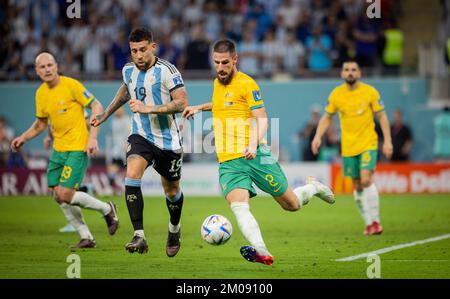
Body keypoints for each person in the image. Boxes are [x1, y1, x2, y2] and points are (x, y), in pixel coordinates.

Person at [182, 39, 335, 266]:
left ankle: (313, 187)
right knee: (239, 206)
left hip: (256, 155)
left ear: (235, 60)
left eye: (225, 62)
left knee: (291, 204)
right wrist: (199, 107)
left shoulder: (248, 84)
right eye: (216, 63)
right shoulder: (217, 83)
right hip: (229, 162)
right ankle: (262, 251)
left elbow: (262, 120)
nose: (221, 67)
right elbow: (222, 104)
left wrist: (253, 145)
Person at [91, 28, 189, 257]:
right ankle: (139, 235)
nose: (138, 55)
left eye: (143, 49)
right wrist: (105, 114)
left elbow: (182, 103)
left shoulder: (168, 71)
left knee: (172, 191)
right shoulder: (128, 70)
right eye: (134, 51)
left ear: (153, 47)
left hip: (168, 141)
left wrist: (149, 108)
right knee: (132, 175)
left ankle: (174, 228)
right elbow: (126, 91)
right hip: (141, 135)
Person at [10, 52, 119, 248]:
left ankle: (107, 208)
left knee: (66, 194)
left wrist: (92, 138)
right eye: (42, 67)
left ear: (57, 66)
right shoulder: (41, 93)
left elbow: (96, 105)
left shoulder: (71, 85)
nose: (47, 69)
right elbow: (41, 124)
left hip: (77, 147)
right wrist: (23, 138)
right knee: (56, 194)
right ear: (36, 71)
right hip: (58, 150)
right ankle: (87, 237)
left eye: (50, 65)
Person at [312, 60, 393, 236]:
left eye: (353, 70)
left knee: (365, 179)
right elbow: (327, 117)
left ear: (359, 73)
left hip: (368, 143)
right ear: (342, 73)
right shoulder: (336, 94)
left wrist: (387, 141)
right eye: (347, 69)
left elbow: (382, 116)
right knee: (357, 185)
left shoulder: (370, 92)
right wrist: (317, 137)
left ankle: (376, 221)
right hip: (348, 147)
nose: (350, 72)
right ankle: (369, 223)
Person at [105, 106, 129, 195]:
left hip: (125, 149)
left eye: (119, 110)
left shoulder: (127, 120)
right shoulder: (113, 121)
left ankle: (125, 186)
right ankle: (111, 187)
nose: (117, 112)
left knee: (128, 169)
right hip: (116, 149)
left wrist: (127, 143)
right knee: (112, 167)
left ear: (122, 111)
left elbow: (129, 131)